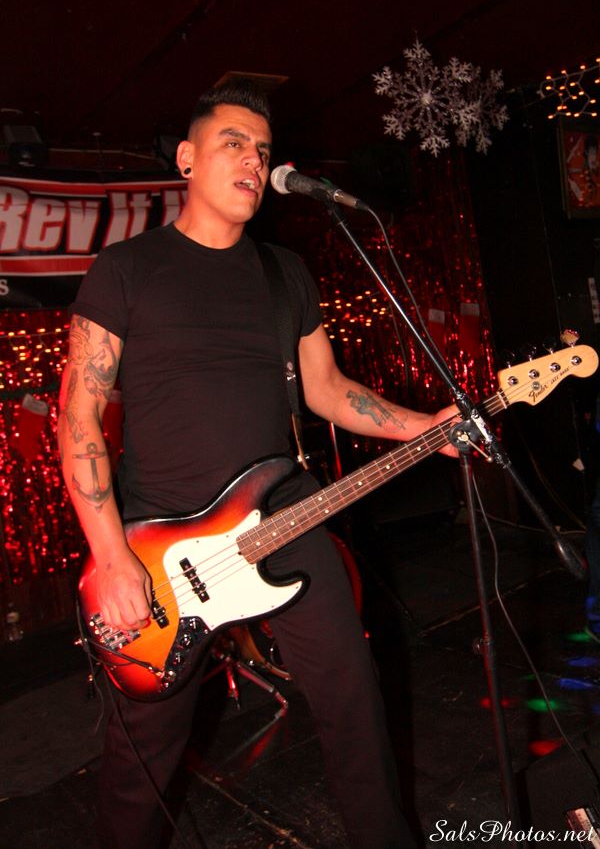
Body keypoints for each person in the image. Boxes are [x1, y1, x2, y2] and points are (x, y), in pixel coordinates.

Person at [57, 78, 457, 849]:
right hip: (160, 545)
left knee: (355, 704)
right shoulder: (128, 269)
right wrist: (110, 556)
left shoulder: (284, 273)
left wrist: (427, 427)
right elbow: (79, 416)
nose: (253, 159)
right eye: (233, 143)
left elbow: (329, 391)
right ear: (186, 158)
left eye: (263, 149)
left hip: (285, 514)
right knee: (142, 764)